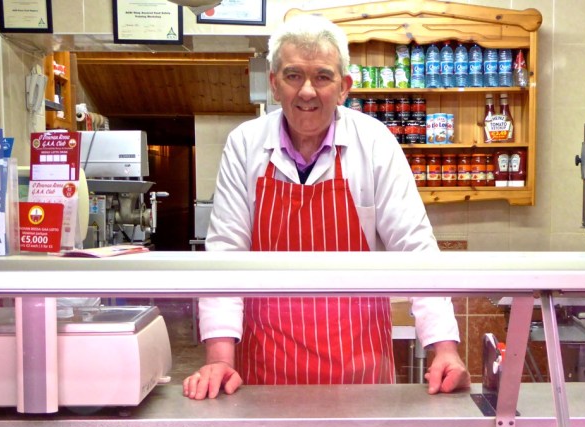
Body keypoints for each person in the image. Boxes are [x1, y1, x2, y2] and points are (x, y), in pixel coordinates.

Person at [183, 14, 469, 400]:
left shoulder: (374, 142)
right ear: (273, 83)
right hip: (266, 365)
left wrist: (445, 349)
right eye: (293, 75)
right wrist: (220, 357)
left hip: (358, 362)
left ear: (344, 86)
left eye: (322, 76)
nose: (307, 91)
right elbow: (225, 255)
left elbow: (415, 250)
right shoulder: (245, 144)